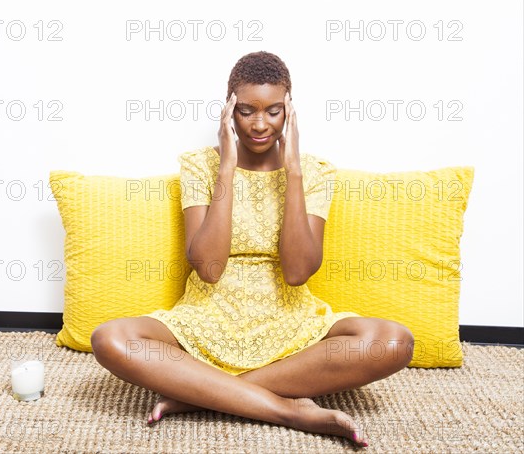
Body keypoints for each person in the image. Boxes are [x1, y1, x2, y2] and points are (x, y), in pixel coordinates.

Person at [91, 51, 415, 448]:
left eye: (274, 111)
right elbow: (208, 268)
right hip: (208, 318)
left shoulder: (314, 171)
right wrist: (226, 167)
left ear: (290, 110)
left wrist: (293, 169)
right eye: (247, 111)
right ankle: (288, 409)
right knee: (110, 339)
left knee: (394, 341)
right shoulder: (199, 165)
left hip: (291, 321)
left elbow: (298, 271)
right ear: (229, 109)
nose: (260, 124)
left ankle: (198, 395)